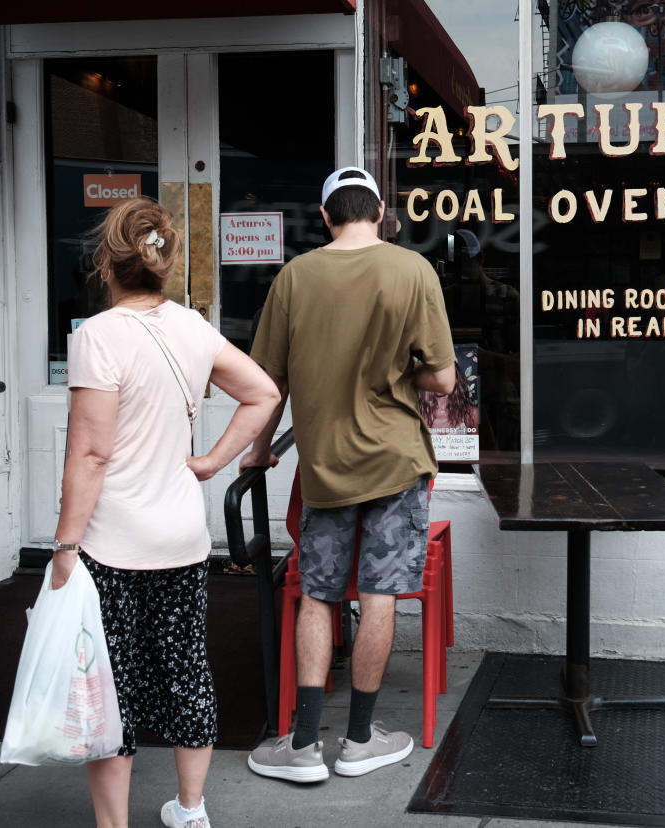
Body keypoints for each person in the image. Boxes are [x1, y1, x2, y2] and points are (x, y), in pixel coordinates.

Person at [51, 196, 280, 828]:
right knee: (185, 669)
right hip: (181, 537)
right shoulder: (192, 328)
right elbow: (262, 393)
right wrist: (210, 462)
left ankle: (114, 824)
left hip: (110, 544)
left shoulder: (96, 336)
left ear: (108, 261)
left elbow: (91, 453)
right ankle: (190, 809)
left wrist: (64, 548)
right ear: (164, 260)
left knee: (111, 686)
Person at [242, 167, 455, 782]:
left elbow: (268, 385)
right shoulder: (413, 270)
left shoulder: (293, 277)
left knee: (318, 594)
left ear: (327, 215)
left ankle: (304, 746)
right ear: (382, 212)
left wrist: (258, 451)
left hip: (326, 466)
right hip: (395, 462)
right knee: (380, 594)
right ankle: (360, 740)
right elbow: (442, 379)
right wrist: (395, 374)